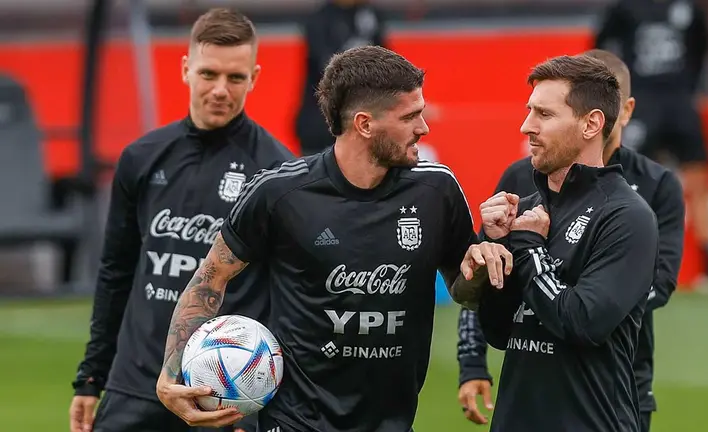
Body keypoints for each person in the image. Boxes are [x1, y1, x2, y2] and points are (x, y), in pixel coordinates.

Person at [155, 45, 510, 432]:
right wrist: (171, 375)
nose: (423, 128)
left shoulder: (437, 190)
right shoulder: (279, 192)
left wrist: (478, 269)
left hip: (391, 422)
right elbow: (210, 278)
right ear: (364, 124)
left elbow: (462, 292)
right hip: (295, 420)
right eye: (410, 116)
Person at [68, 8, 294, 432]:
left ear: (255, 78)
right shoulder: (141, 157)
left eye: (236, 78)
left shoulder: (278, 172)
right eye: (209, 74)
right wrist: (91, 376)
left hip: (224, 398)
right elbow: (115, 273)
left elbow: (288, 299)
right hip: (135, 384)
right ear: (186, 69)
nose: (221, 90)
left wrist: (262, 406)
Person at [456, 49, 686, 431]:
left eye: (544, 114)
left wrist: (528, 248)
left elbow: (582, 321)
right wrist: (492, 257)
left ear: (592, 124)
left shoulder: (628, 215)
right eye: (529, 110)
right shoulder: (525, 206)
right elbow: (500, 330)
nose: (526, 126)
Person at [594, 0, 708, 286]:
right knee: (634, 180)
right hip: (643, 103)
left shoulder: (688, 7)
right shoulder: (624, 9)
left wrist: (690, 87)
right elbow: (601, 52)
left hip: (680, 101)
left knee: (699, 178)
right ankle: (631, 262)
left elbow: (701, 46)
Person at [295, 0, 387, 156]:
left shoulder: (369, 16)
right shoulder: (320, 20)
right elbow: (327, 67)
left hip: (363, 122)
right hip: (322, 122)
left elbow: (386, 64)